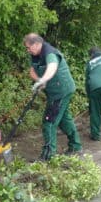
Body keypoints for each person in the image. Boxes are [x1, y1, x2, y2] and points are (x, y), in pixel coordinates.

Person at [24, 33, 82, 161]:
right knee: (63, 119)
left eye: (29, 47)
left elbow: (52, 67)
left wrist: (44, 79)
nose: (27, 50)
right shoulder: (35, 55)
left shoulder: (50, 53)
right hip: (55, 91)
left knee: (49, 122)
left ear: (37, 44)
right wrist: (39, 80)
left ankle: (48, 156)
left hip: (60, 91)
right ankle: (76, 146)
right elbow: (32, 71)